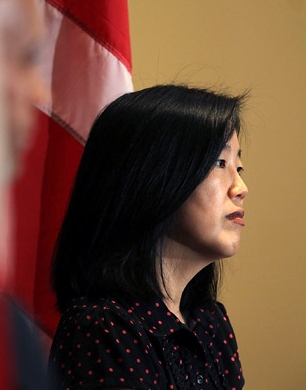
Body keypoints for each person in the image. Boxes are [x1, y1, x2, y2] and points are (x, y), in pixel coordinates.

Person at [48, 85, 248, 389]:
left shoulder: (209, 321)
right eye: (220, 163)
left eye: (239, 166)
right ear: (151, 179)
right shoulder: (102, 328)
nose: (241, 187)